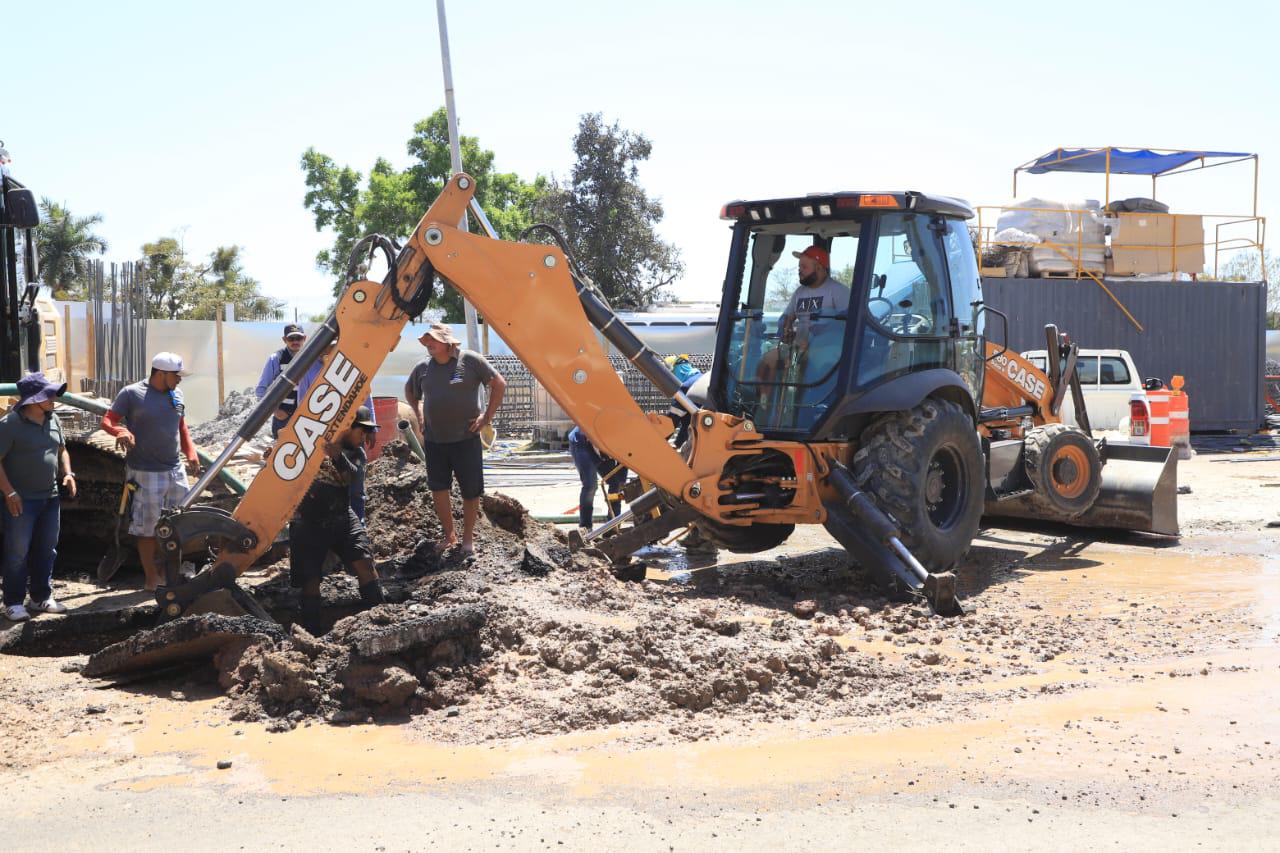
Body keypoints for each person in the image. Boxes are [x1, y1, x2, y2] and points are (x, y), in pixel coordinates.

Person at [404, 323, 506, 558]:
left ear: (447, 342)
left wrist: (487, 417)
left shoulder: (470, 360)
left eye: (433, 340)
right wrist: (418, 412)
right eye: (426, 341)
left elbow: (498, 384)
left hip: (465, 438)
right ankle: (449, 535)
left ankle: (468, 539)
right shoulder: (423, 368)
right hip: (435, 440)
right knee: (439, 488)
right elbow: (410, 391)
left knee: (470, 491)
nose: (429, 344)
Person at [100, 352, 200, 591]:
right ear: (161, 374)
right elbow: (107, 420)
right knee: (147, 528)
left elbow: (181, 426)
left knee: (176, 524)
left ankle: (170, 574)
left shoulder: (177, 394)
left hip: (174, 470)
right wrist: (120, 432)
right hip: (145, 471)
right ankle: (152, 578)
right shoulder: (132, 394)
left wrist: (191, 452)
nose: (179, 380)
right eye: (176, 376)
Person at [289, 407, 384, 635]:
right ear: (347, 428)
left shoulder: (356, 454)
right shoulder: (314, 445)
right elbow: (286, 463)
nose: (365, 437)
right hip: (308, 520)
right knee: (310, 579)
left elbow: (350, 476)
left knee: (365, 562)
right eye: (362, 431)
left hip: (341, 516)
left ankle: (381, 618)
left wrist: (337, 456)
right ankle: (312, 634)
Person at [0, 373, 75, 621]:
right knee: (17, 552)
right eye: (48, 394)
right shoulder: (10, 424)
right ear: (34, 399)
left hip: (50, 497)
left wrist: (68, 473)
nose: (53, 398)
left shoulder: (53, 420)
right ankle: (12, 601)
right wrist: (9, 492)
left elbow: (61, 449)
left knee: (47, 548)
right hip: (22, 500)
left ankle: (40, 597)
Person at [567, 425, 627, 532]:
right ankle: (585, 526)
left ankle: (613, 524)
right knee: (590, 486)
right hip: (583, 442)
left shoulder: (629, 442)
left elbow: (621, 477)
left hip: (604, 446)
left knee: (616, 483)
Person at [256, 323, 308, 438]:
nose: (295, 341)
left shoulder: (313, 357)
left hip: (308, 419)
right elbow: (261, 390)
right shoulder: (276, 359)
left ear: (304, 338)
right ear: (284, 339)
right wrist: (276, 411)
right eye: (291, 338)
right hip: (284, 419)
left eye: (298, 338)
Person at [663, 354, 704, 448]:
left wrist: (658, 441)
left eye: (672, 373)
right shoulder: (702, 380)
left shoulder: (686, 387)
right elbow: (688, 424)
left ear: (678, 369)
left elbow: (671, 421)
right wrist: (677, 444)